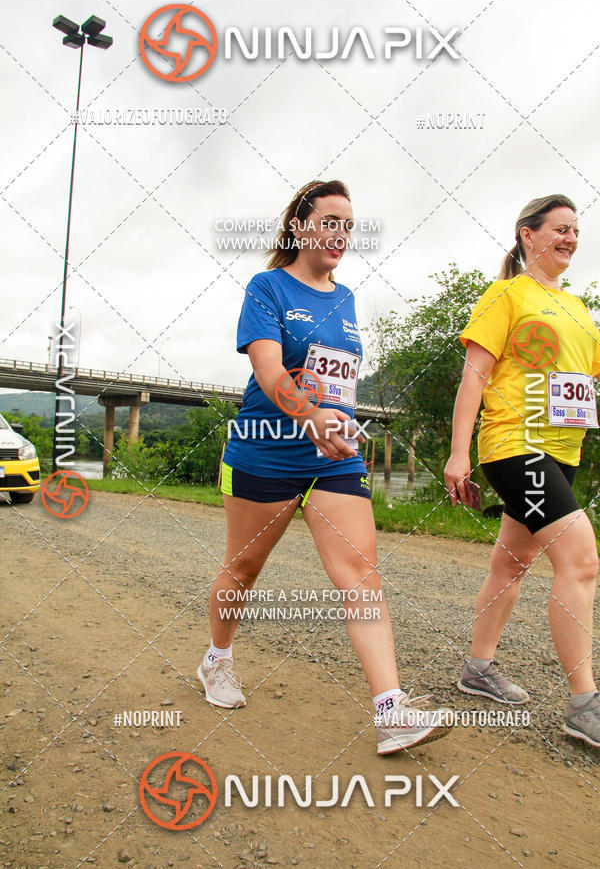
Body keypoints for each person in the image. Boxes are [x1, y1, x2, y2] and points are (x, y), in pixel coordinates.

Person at [199, 179, 451, 754]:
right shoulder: (267, 288)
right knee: (242, 570)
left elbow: (338, 378)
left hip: (334, 457)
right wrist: (308, 414)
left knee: (361, 574)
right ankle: (217, 660)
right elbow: (268, 371)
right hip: (266, 451)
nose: (341, 234)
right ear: (300, 226)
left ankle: (390, 711)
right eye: (330, 221)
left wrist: (334, 424)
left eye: (348, 226)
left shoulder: (347, 299)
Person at [444, 194, 600, 747]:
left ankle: (478, 668)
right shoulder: (506, 295)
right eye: (559, 228)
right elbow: (474, 377)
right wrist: (459, 453)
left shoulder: (581, 311)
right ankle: (584, 703)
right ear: (527, 235)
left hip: (565, 452)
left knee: (512, 562)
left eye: (575, 230)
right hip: (515, 446)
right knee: (581, 560)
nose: (570, 238)